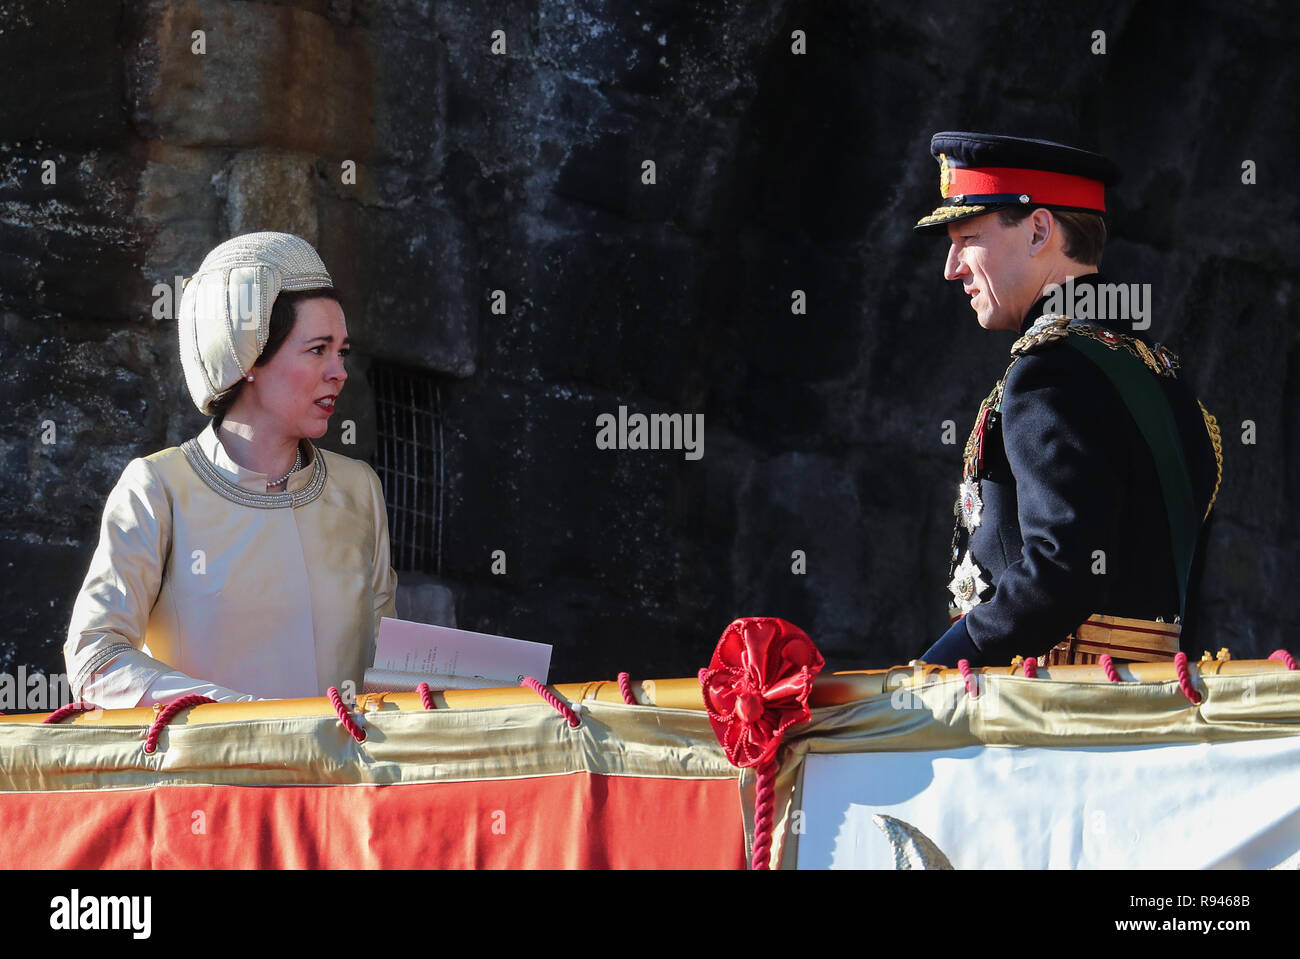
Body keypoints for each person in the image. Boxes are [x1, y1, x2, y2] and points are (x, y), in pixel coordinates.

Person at [913, 133, 1222, 668]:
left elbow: (1062, 570)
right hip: (1142, 709)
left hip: (1049, 719)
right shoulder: (1162, 374)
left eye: (967, 238)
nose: (952, 267)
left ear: (1038, 230)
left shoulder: (1050, 371)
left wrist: (931, 672)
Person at [64, 232, 398, 708]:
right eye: (318, 349)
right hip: (215, 780)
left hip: (342, 781)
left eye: (341, 351)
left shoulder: (358, 488)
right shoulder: (158, 489)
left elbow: (386, 668)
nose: (339, 372)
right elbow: (95, 658)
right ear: (249, 358)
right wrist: (239, 719)